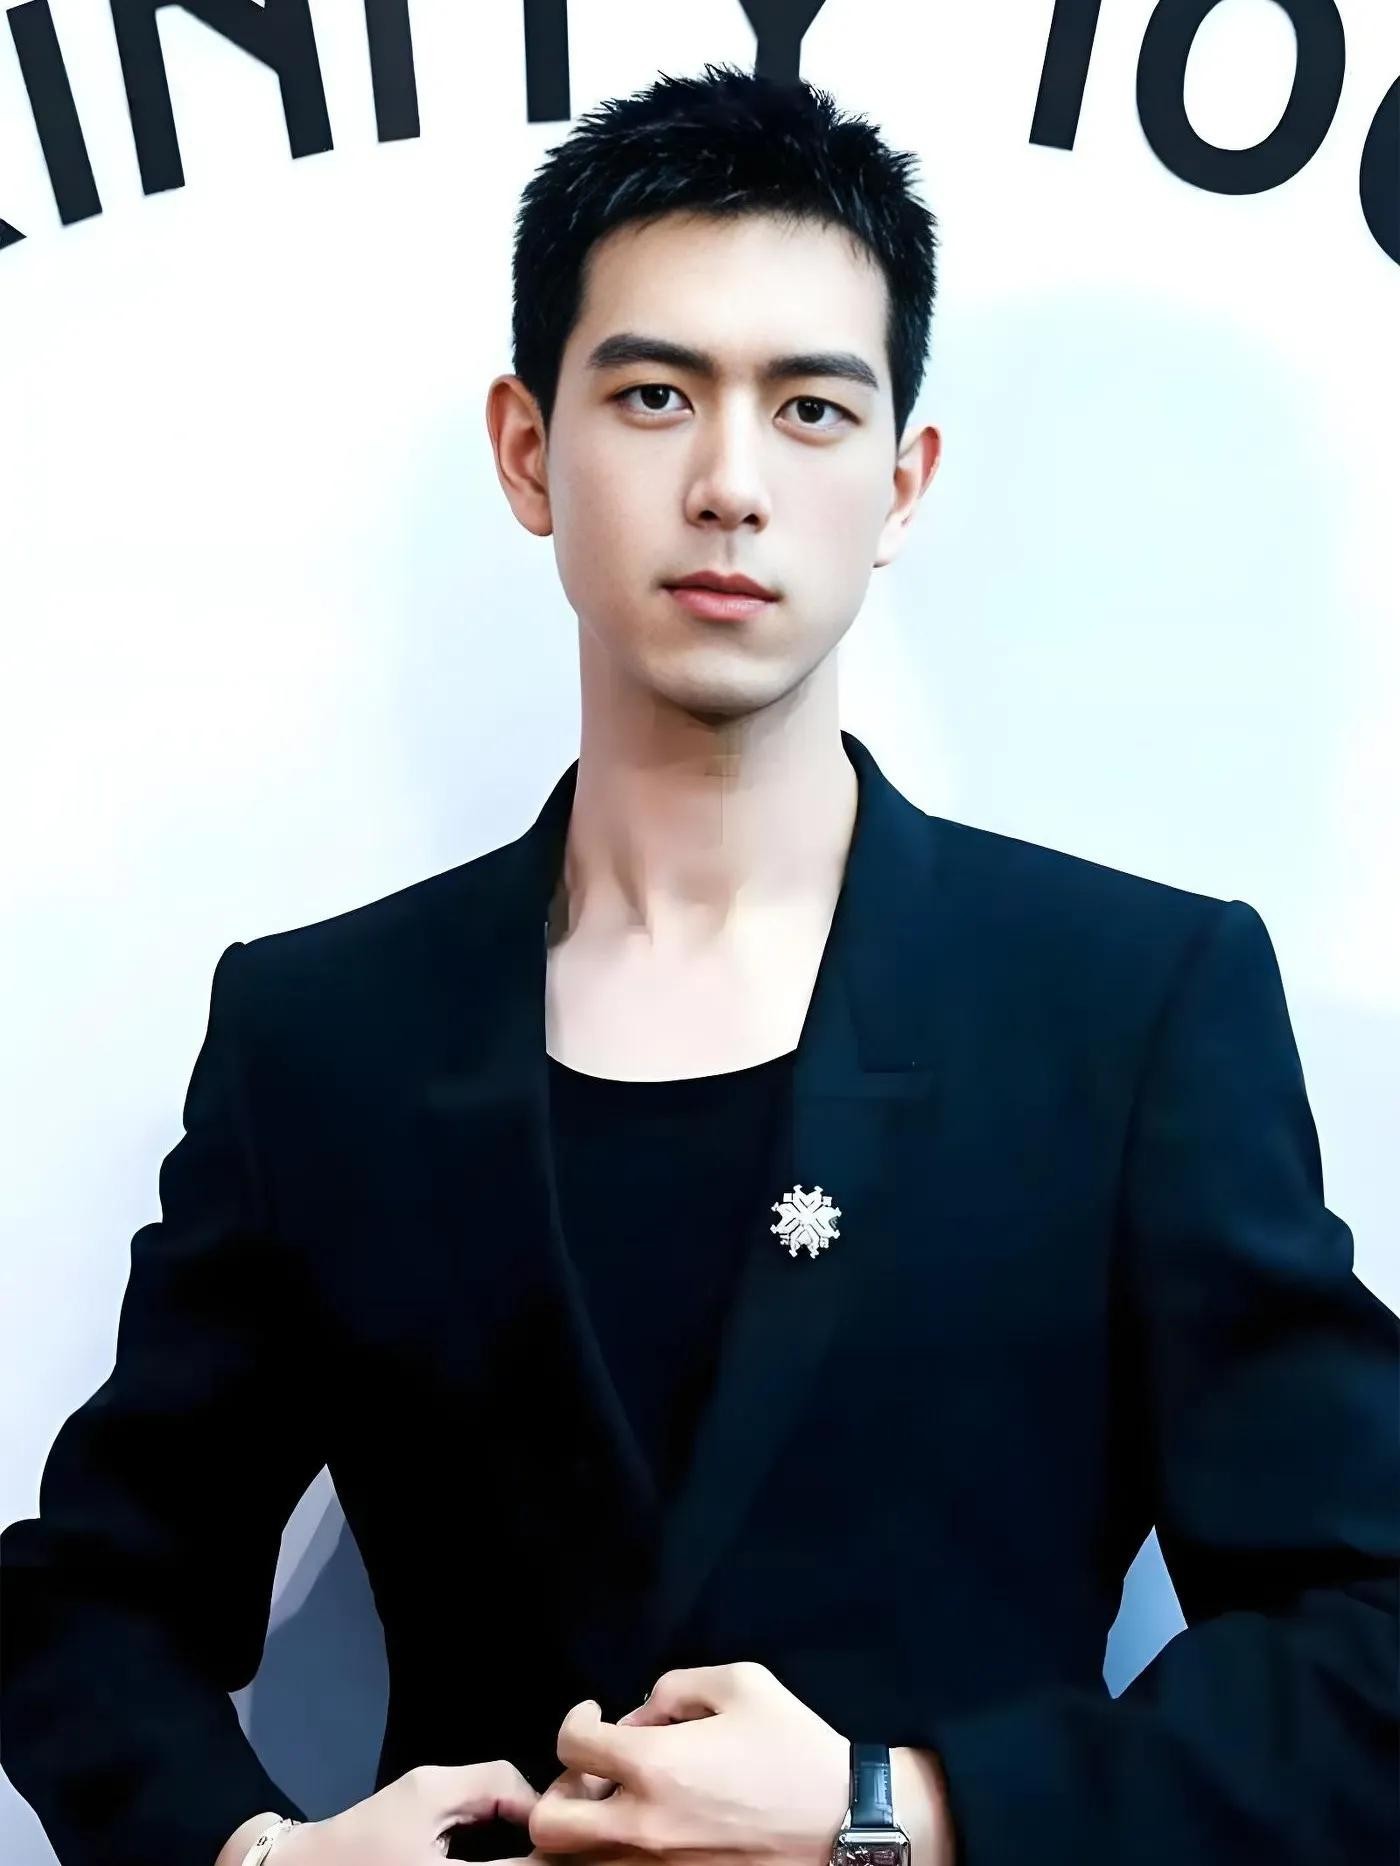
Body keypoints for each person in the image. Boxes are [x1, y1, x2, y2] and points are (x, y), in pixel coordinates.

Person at [2, 59, 1397, 1866]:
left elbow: (1369, 1641)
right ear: (529, 448)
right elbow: (86, 1601)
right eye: (655, 394)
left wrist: (902, 1810)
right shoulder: (323, 1032)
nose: (732, 483)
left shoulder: (1128, 1007)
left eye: (811, 410)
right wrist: (259, 1855)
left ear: (902, 481)